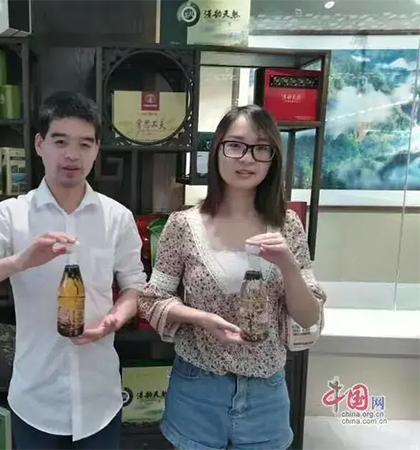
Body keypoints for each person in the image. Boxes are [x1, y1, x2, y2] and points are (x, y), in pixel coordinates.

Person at [0, 91, 147, 449]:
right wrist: (18, 262)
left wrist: (114, 320)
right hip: (36, 400)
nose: (72, 155)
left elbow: (135, 287)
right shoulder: (11, 215)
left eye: (84, 144)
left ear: (96, 150)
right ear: (39, 144)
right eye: (60, 141)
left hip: (100, 399)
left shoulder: (117, 217)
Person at [138, 105, 327, 450]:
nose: (247, 158)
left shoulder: (288, 226)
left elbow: (308, 316)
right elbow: (152, 300)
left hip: (266, 395)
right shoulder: (183, 224)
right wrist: (200, 318)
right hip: (197, 388)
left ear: (272, 159)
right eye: (236, 145)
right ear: (217, 150)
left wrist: (288, 265)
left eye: (261, 148)